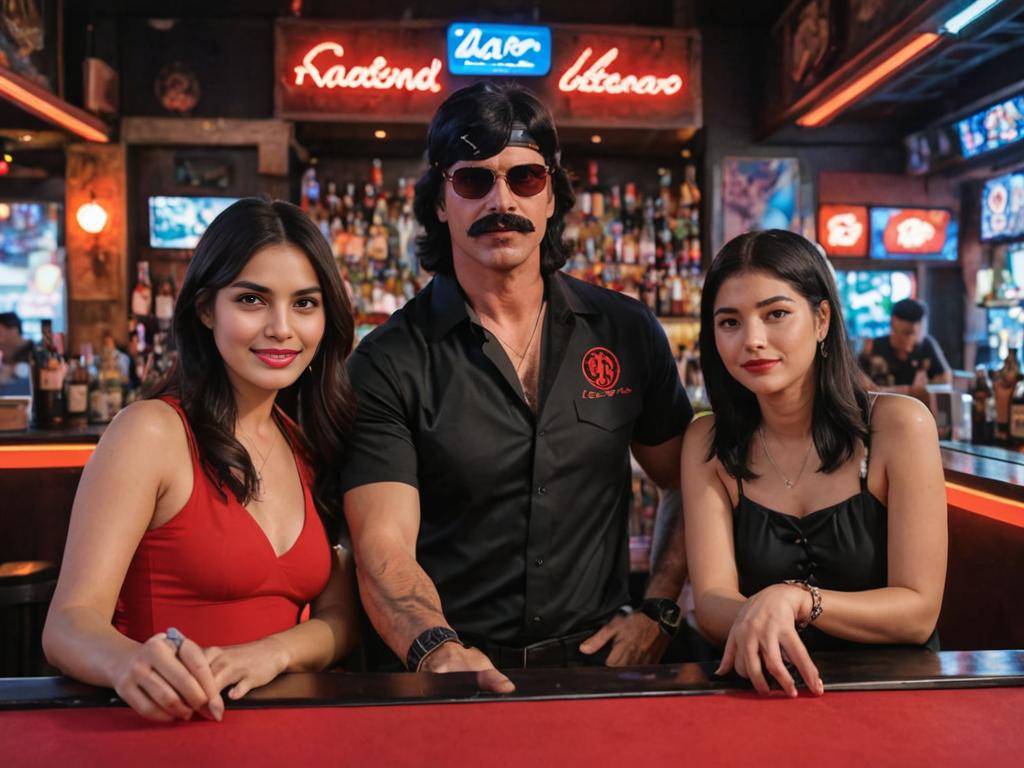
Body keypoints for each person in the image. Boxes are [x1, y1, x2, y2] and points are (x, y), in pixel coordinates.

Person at [341, 82, 692, 691]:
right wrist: (434, 648)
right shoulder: (388, 362)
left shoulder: (627, 331)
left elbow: (688, 479)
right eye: (473, 181)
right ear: (440, 202)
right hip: (451, 677)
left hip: (600, 672)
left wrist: (660, 606)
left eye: (525, 178)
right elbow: (383, 546)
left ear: (552, 195)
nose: (500, 200)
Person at [43, 198, 360, 722]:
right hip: (171, 730)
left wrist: (273, 652)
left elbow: (341, 616)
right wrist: (128, 663)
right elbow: (69, 623)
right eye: (253, 300)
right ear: (206, 308)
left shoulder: (307, 441)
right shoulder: (150, 432)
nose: (282, 328)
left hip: (289, 736)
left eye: (305, 303)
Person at [682, 230, 947, 698]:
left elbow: (918, 609)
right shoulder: (708, 440)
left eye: (776, 314)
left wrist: (798, 600)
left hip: (893, 696)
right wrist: (766, 612)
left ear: (822, 318)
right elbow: (710, 602)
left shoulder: (899, 427)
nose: (753, 340)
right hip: (764, 696)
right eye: (730, 322)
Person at [860, 298, 951, 394]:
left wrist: (925, 387)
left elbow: (945, 380)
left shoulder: (927, 345)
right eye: (907, 333)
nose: (911, 341)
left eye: (915, 335)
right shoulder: (873, 346)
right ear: (893, 323)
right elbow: (855, 375)